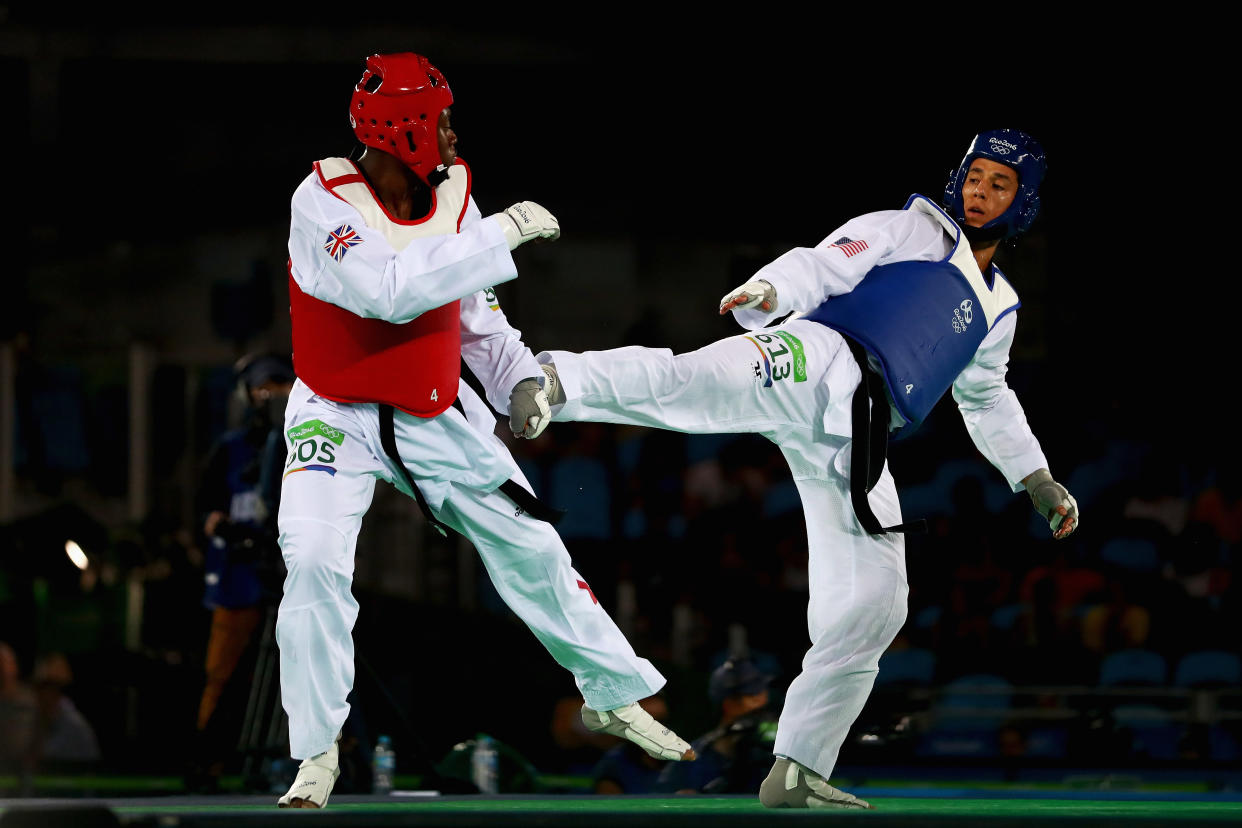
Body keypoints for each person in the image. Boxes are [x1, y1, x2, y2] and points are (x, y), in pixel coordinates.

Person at [534, 129, 1079, 809]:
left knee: (879, 599)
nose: (979, 192)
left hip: (863, 429)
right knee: (688, 384)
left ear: (1022, 204)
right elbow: (823, 264)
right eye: (975, 176)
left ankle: (797, 765)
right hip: (813, 355)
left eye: (999, 184)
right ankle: (553, 379)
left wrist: (1036, 477)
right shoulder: (907, 227)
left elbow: (987, 395)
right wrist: (768, 289)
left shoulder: (999, 309)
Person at [273, 51, 693, 809]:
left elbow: (476, 315)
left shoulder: (456, 200)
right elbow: (392, 294)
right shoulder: (324, 200)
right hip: (337, 412)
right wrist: (503, 232)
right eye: (439, 121)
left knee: (532, 542)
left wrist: (518, 379)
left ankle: (613, 691)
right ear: (403, 129)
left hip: (433, 409)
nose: (451, 134)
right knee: (312, 565)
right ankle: (315, 750)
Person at [187, 352, 295, 792]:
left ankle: (295, 766)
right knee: (222, 676)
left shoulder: (306, 439)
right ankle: (207, 767)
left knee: (299, 673)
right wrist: (218, 525)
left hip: (290, 575)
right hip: (238, 578)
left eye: (281, 385)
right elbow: (204, 507)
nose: (271, 394)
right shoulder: (230, 449)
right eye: (262, 386)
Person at [655, 657, 778, 795]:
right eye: (752, 694)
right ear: (729, 704)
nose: (762, 699)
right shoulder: (694, 758)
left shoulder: (775, 749)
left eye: (762, 691)